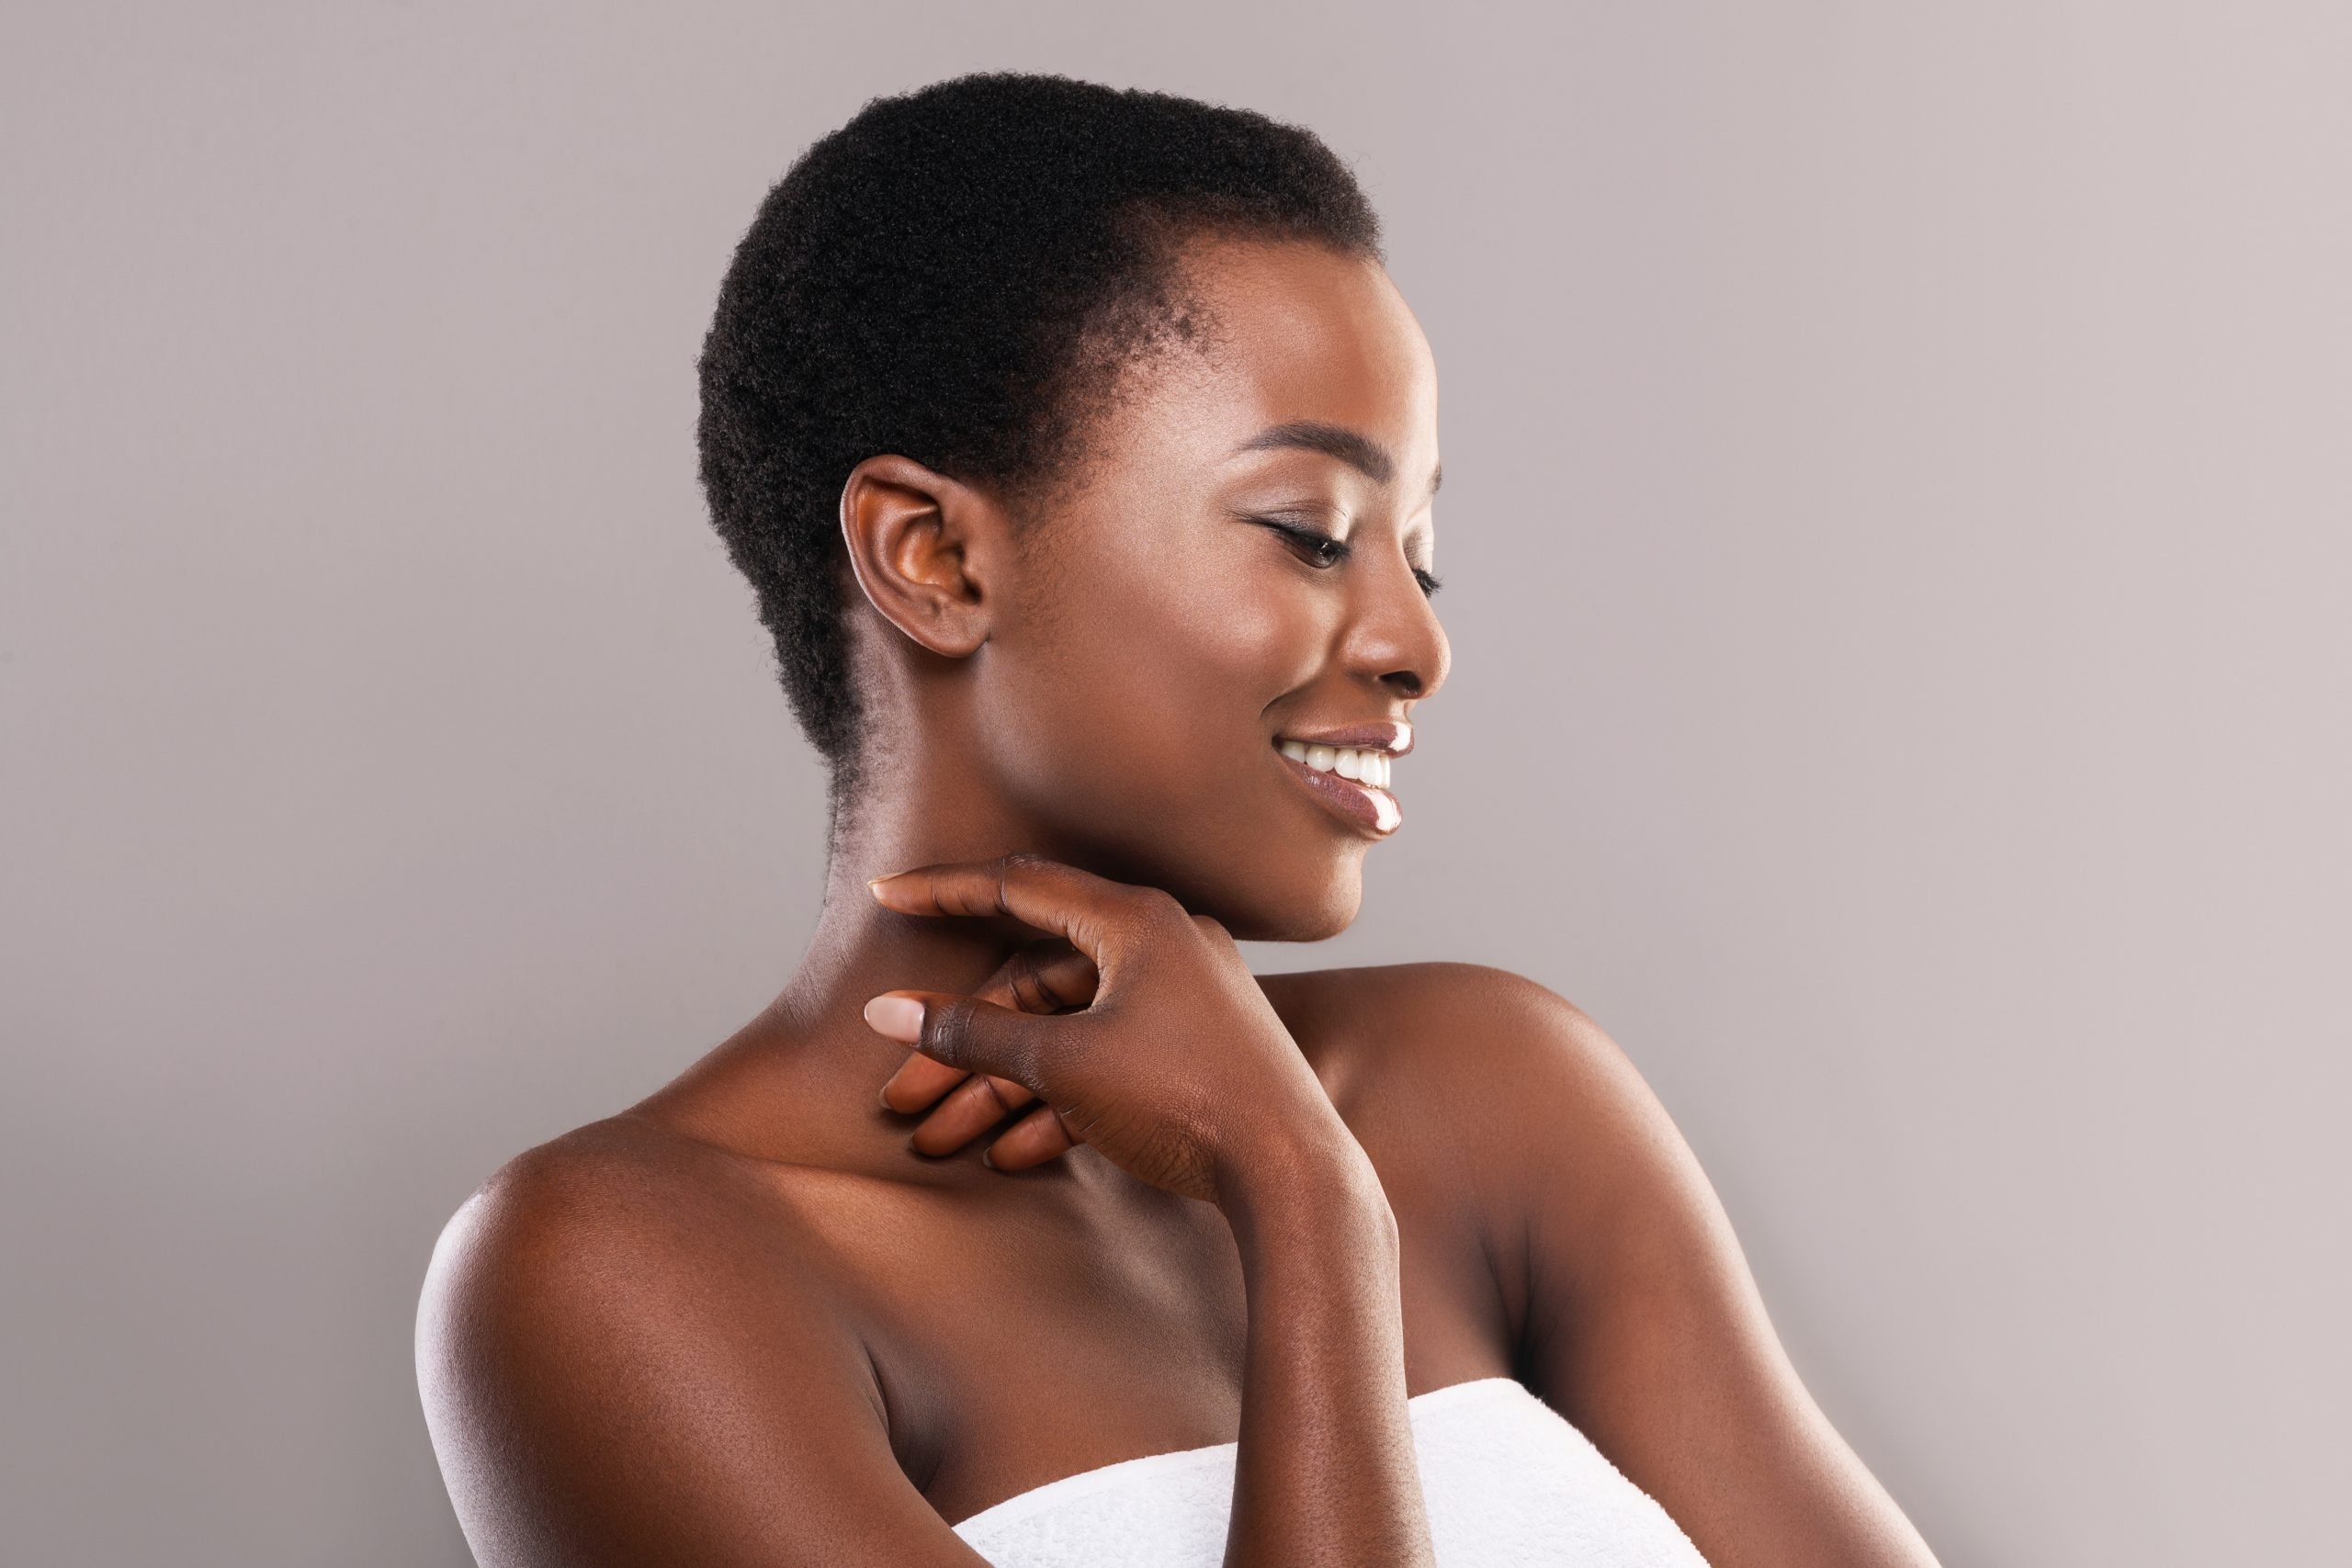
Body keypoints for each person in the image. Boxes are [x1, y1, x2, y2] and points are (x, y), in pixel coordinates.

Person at [413, 71, 1942, 1568]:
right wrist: (1301, 1195)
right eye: (1311, 533)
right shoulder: (627, 1275)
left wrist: (1295, 1145)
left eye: (1422, 554)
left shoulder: (1501, 1102)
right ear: (935, 559)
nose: (1418, 643)